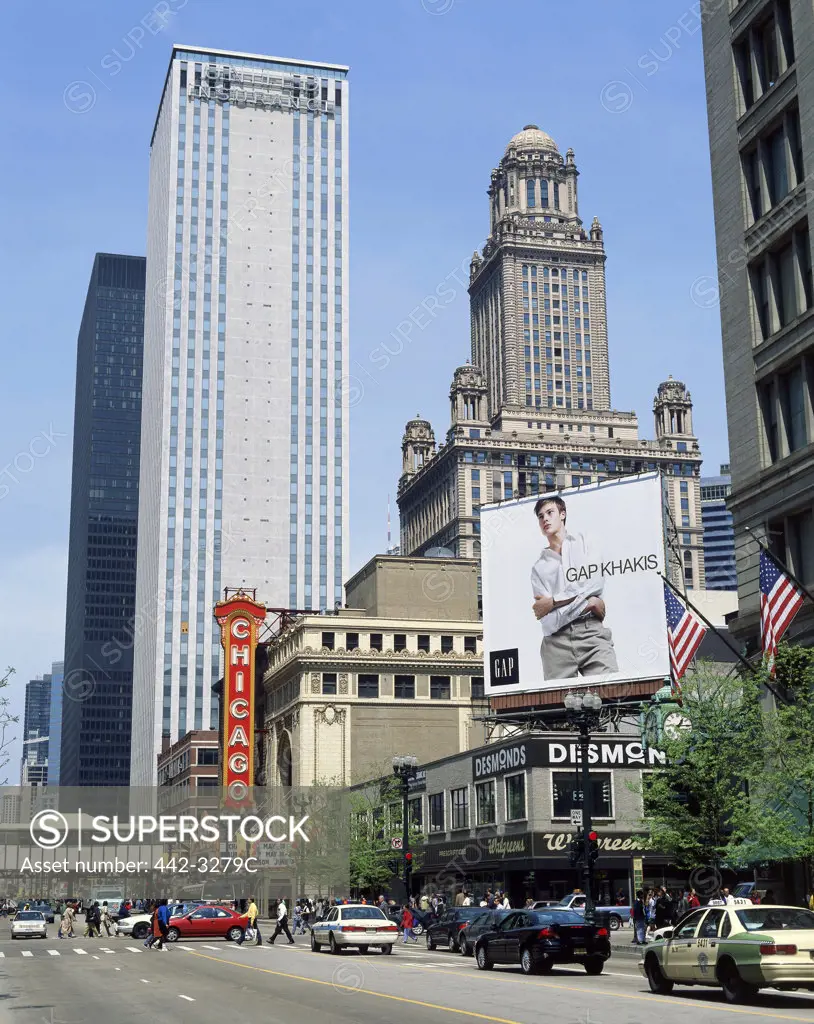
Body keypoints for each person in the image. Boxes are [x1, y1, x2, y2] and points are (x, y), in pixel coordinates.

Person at [530, 496, 619, 680]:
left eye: (549, 513)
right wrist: (587, 604)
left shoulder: (586, 542)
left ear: (562, 514)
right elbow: (547, 623)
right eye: (540, 516)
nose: (545, 519)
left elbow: (594, 583)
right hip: (556, 643)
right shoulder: (539, 568)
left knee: (612, 694)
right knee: (557, 705)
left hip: (592, 633)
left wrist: (554, 602)